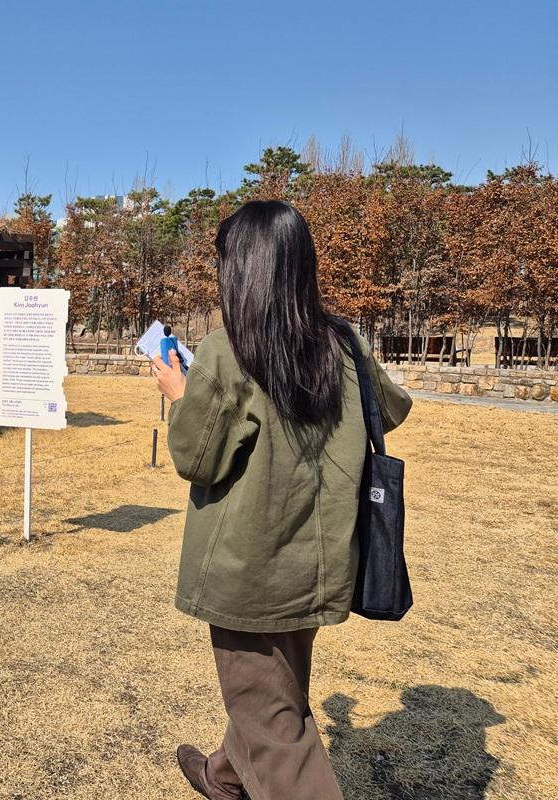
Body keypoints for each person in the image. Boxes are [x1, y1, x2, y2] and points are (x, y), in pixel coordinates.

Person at [149, 200, 412, 800]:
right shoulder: (346, 343)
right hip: (320, 566)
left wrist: (180, 392)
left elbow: (197, 458)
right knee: (275, 690)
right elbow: (390, 410)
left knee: (274, 720)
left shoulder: (227, 351)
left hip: (252, 571)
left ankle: (244, 775)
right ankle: (224, 776)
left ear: (240, 270)